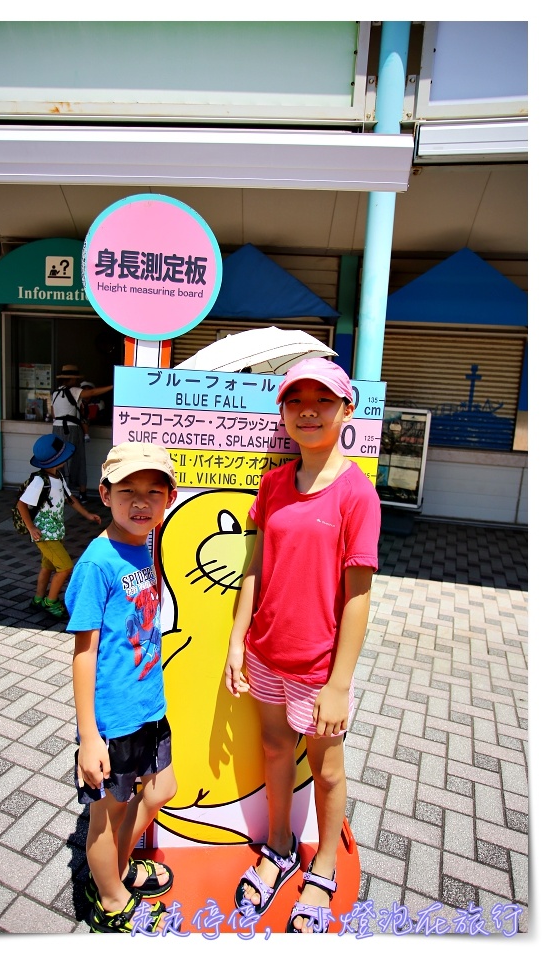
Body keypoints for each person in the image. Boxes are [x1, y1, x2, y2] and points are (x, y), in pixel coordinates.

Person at [224, 357, 381, 934]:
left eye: (322, 400)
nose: (308, 411)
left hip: (319, 667)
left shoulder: (357, 494)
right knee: (272, 747)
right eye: (295, 401)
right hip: (266, 653)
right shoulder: (272, 484)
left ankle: (325, 866)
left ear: (347, 409)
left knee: (327, 770)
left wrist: (339, 684)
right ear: (283, 412)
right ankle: (280, 847)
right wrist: (238, 641)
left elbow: (358, 597)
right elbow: (254, 568)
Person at [66, 442, 179, 934]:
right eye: (128, 490)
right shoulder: (97, 564)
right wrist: (89, 736)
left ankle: (117, 862)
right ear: (105, 494)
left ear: (169, 498)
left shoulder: (144, 546)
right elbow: (84, 653)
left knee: (161, 790)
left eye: (154, 492)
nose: (141, 502)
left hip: (149, 707)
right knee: (104, 819)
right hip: (113, 721)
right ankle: (110, 898)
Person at [17, 434, 102, 620]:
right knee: (64, 568)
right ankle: (51, 601)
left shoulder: (58, 477)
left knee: (47, 566)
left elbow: (70, 499)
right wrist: (31, 528)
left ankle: (39, 599)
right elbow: (21, 505)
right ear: (57, 460)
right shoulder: (39, 481)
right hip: (44, 534)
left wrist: (87, 514)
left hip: (55, 531)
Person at [51, 365, 114, 504]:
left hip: (56, 429)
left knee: (58, 460)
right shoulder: (74, 391)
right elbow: (92, 392)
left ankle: (59, 492)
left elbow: (53, 414)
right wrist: (113, 386)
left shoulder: (55, 393)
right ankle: (81, 493)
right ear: (72, 379)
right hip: (72, 429)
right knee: (78, 459)